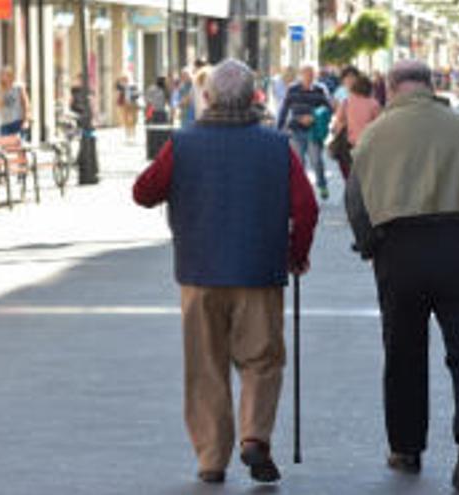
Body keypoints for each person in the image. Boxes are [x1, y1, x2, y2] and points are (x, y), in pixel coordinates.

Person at [131, 59, 319, 485]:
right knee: (262, 360)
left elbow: (143, 192)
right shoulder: (277, 146)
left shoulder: (182, 143)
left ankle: (211, 459)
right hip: (259, 271)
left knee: (205, 366)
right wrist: (296, 252)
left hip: (199, 272)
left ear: (209, 96)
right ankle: (254, 437)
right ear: (255, 97)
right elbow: (306, 206)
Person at [345, 60, 459, 493]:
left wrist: (371, 246)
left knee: (403, 352)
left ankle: (406, 448)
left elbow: (355, 200)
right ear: (430, 87)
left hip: (400, 250)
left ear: (391, 89)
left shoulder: (374, 135)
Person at [277, 64, 333, 200]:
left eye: (311, 74)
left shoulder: (320, 90)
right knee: (299, 162)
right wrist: (279, 129)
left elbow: (329, 109)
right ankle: (300, 191)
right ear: (301, 75)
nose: (309, 77)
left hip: (314, 131)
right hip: (296, 130)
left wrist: (314, 117)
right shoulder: (292, 89)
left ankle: (322, 184)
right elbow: (284, 109)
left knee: (316, 161)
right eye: (306, 74)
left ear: (315, 75)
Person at [331, 73, 381, 179]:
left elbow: (339, 119)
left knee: (350, 176)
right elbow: (379, 124)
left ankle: (351, 193)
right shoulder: (374, 104)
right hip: (368, 145)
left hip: (349, 144)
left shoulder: (347, 101)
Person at [0, 66, 30, 137]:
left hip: (18, 122)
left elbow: (26, 104)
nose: (3, 77)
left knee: (18, 146)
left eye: (5, 74)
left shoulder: (19, 88)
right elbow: (0, 106)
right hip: (5, 124)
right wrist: (2, 90)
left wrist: (26, 120)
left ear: (10, 75)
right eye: (1, 75)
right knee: (5, 146)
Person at [115, 73, 140, 140]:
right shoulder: (121, 87)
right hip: (124, 104)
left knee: (133, 119)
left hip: (132, 104)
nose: (124, 81)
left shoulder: (132, 86)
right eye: (123, 79)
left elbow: (137, 95)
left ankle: (132, 131)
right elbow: (117, 88)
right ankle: (128, 132)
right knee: (125, 119)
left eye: (125, 79)